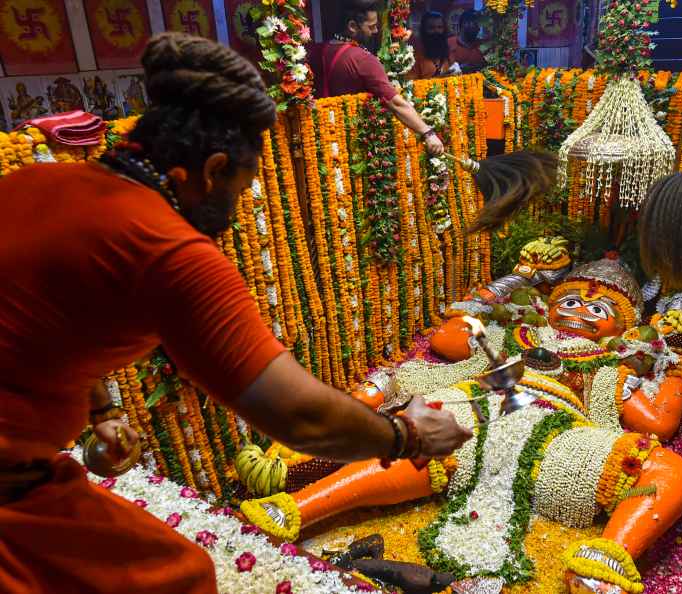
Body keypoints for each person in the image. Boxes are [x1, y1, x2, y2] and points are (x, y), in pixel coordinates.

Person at [0, 32, 470, 594]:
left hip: (25, 462)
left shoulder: (38, 181)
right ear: (210, 169)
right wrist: (405, 435)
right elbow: (300, 418)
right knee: (181, 576)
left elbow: (55, 312)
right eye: (241, 187)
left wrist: (99, 411)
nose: (238, 206)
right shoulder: (166, 249)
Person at [307, 0, 444, 155]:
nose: (376, 31)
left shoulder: (316, 51)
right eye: (371, 26)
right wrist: (427, 132)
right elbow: (396, 103)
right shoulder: (363, 59)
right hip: (353, 145)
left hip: (319, 140)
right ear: (352, 26)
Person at [408, 11, 457, 80]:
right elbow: (411, 86)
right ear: (424, 30)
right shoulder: (415, 56)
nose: (436, 31)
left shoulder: (448, 53)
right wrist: (438, 80)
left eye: (440, 27)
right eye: (431, 28)